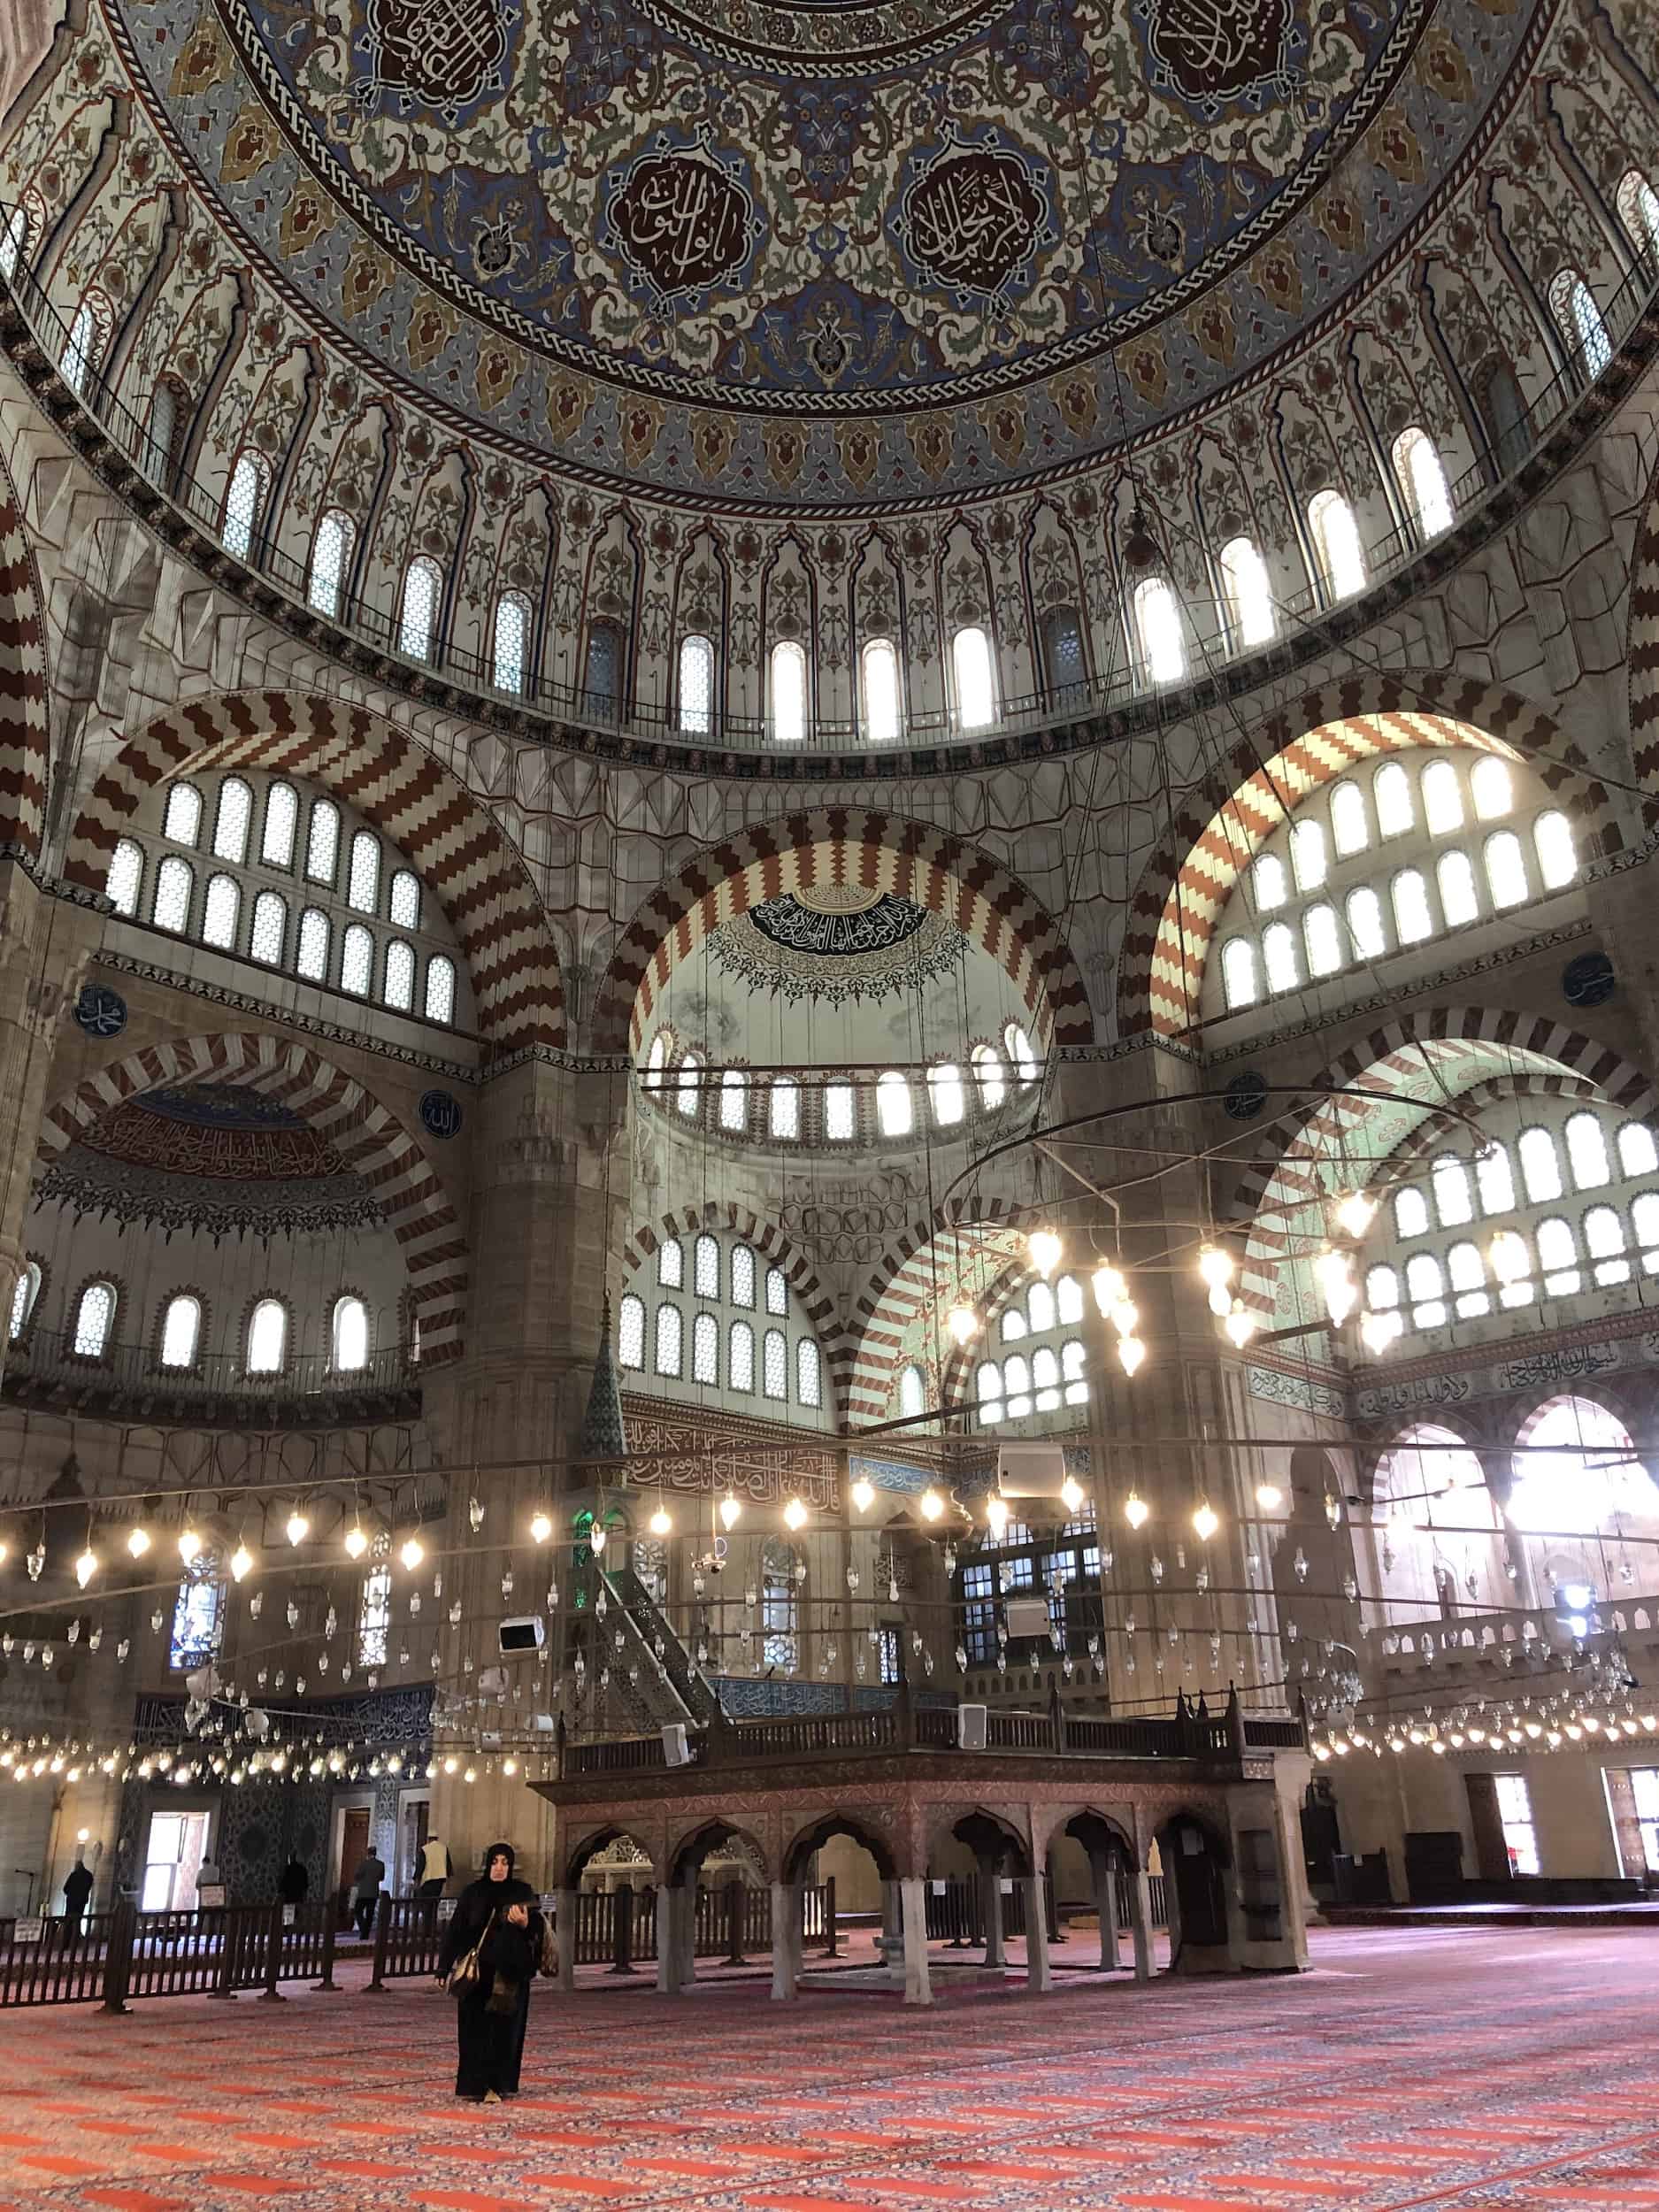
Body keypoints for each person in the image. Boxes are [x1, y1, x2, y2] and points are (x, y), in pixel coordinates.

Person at [437, 1843, 545, 2103]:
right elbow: (457, 1930)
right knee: (475, 2029)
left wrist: (525, 1923)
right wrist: (443, 1965)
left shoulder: (521, 1892)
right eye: (495, 1862)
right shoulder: (473, 1893)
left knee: (505, 2031)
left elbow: (538, 1930)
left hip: (509, 1973)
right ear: (488, 1864)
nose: (499, 1868)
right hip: (478, 1974)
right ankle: (475, 2084)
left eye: (504, 1862)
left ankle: (499, 2084)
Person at [350, 1846, 386, 1939]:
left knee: (358, 1911)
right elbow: (382, 1878)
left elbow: (357, 1876)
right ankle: (365, 1933)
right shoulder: (381, 1864)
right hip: (374, 1892)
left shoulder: (363, 1864)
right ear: (375, 1853)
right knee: (370, 1914)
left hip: (363, 1892)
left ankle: (363, 1929)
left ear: (368, 1853)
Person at [61, 1854, 94, 1935]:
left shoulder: (73, 1875)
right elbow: (88, 1888)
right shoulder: (88, 1875)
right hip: (81, 1902)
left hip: (71, 1901)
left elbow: (65, 1888)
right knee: (77, 1920)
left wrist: (71, 1895)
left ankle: (67, 1938)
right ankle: (75, 1938)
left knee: (69, 1921)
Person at [417, 1835, 452, 1899]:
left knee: (425, 1902)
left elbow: (420, 1866)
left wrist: (417, 1880)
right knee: (435, 1901)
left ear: (428, 1839)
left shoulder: (425, 1849)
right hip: (439, 1881)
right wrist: (448, 1882)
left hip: (427, 1880)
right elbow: (448, 1866)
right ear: (437, 1838)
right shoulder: (444, 1848)